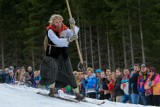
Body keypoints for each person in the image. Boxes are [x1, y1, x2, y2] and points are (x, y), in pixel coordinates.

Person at [40, 14, 84, 100]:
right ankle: (52, 89)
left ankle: (77, 93)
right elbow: (57, 41)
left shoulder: (64, 28)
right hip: (52, 53)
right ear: (53, 22)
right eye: (57, 22)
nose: (59, 23)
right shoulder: (50, 31)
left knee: (70, 72)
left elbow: (72, 33)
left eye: (60, 21)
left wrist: (73, 25)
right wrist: (69, 39)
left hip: (63, 53)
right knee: (53, 70)